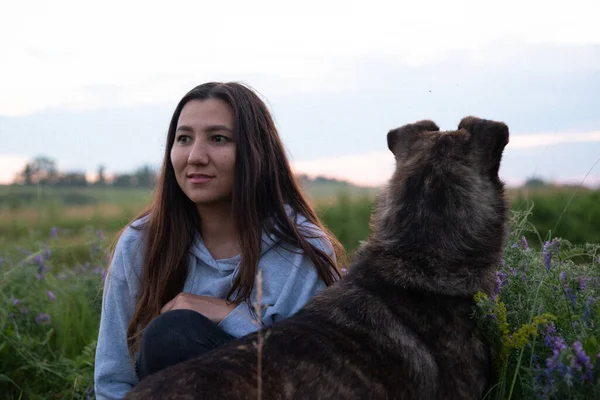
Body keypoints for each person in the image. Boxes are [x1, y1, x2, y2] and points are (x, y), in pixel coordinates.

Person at [93, 82, 346, 399]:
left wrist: (227, 314)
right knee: (171, 335)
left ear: (256, 151)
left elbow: (316, 377)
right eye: (183, 138)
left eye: (218, 139)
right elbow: (114, 379)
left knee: (174, 333)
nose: (196, 156)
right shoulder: (141, 243)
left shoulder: (301, 250)